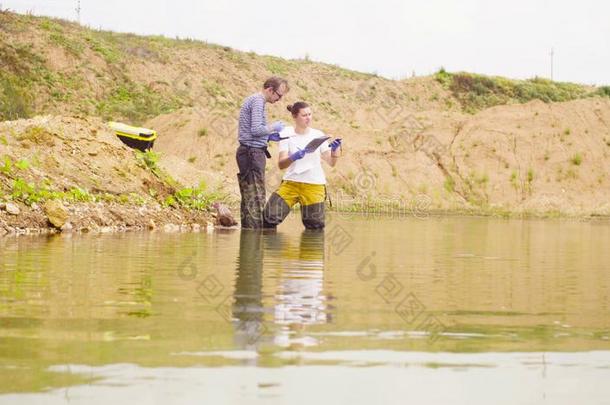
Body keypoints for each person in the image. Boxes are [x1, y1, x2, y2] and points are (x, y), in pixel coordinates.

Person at [263, 102, 342, 230]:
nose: (308, 118)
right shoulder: (286, 133)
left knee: (315, 226)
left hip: (314, 185)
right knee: (268, 219)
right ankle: (272, 248)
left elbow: (332, 162)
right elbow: (281, 164)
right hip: (290, 184)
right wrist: (293, 157)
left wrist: (335, 150)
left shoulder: (318, 135)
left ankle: (308, 249)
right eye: (304, 115)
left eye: (310, 114)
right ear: (294, 117)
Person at [236, 77, 289, 229]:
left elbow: (255, 131)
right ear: (270, 90)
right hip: (252, 153)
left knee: (249, 195)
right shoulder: (258, 101)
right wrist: (274, 127)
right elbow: (256, 129)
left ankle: (248, 234)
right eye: (279, 95)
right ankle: (255, 237)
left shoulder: (254, 100)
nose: (279, 99)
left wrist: (268, 137)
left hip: (249, 152)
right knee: (256, 196)